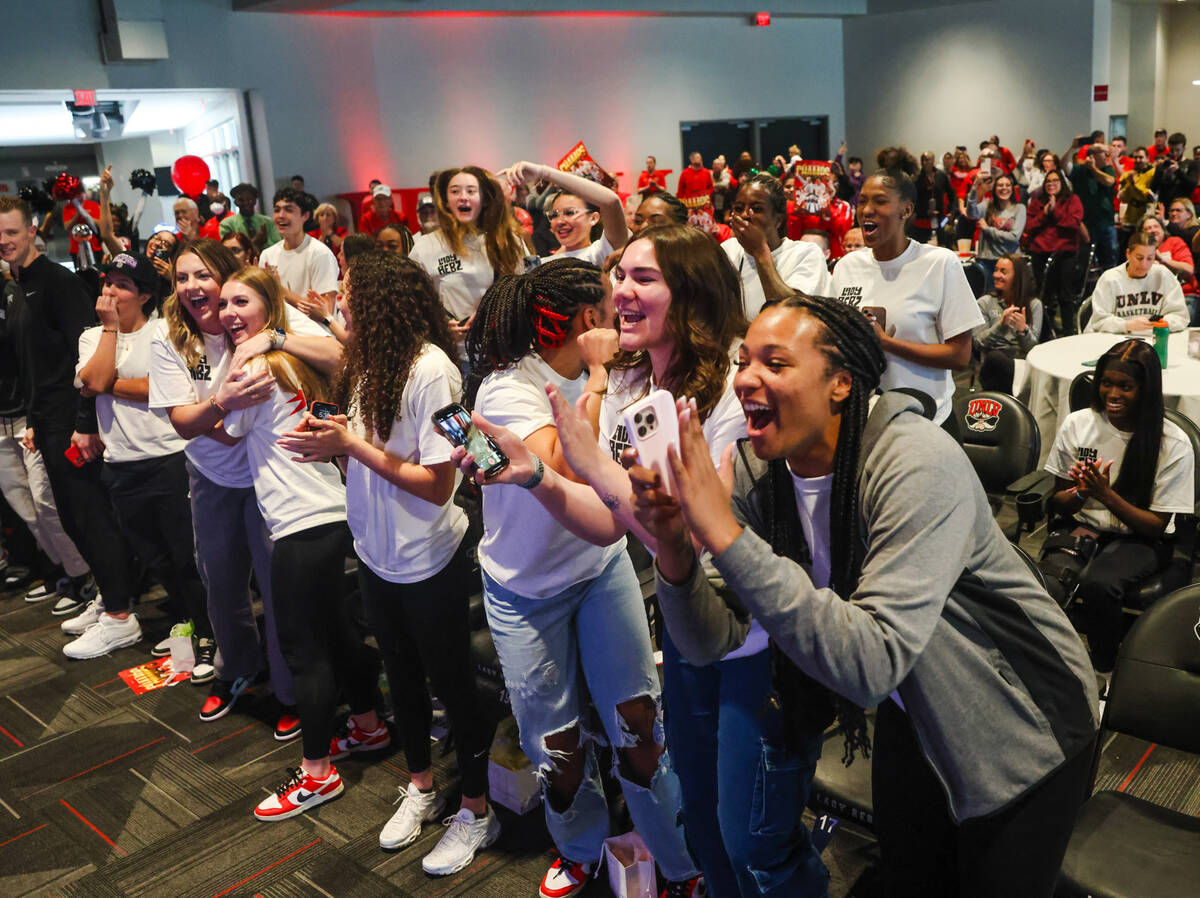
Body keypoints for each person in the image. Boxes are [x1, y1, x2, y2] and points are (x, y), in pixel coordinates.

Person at [637, 293, 1100, 898]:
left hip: (1023, 719)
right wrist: (675, 549)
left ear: (840, 384)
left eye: (775, 364)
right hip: (919, 704)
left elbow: (870, 661)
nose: (746, 377)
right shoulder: (760, 470)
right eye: (744, 360)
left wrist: (723, 532)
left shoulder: (916, 462)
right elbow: (708, 642)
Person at [459, 255, 704, 898]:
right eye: (609, 300)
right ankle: (580, 848)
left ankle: (679, 861)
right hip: (525, 592)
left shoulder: (620, 376)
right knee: (558, 749)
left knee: (640, 725)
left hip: (598, 571)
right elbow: (571, 477)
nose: (623, 306)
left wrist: (605, 380)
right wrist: (594, 381)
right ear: (587, 320)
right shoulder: (509, 389)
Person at [276, 253, 498, 874]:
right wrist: (337, 440)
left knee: (453, 684)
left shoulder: (433, 370)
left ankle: (477, 810)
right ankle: (423, 787)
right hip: (377, 551)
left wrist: (350, 445)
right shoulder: (369, 363)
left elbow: (435, 485)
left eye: (348, 296)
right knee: (400, 681)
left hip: (429, 554)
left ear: (379, 304)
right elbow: (378, 449)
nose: (338, 305)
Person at [149, 238, 342, 733]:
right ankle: (234, 670)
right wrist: (224, 404)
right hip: (211, 475)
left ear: (226, 279)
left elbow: (335, 354)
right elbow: (183, 422)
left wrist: (275, 341)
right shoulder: (168, 335)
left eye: (202, 277)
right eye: (181, 278)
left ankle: (291, 691)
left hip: (270, 479)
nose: (193, 287)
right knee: (221, 581)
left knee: (280, 589)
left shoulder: (259, 311)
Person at [213, 267, 382, 822]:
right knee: (338, 630)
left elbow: (222, 430)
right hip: (331, 512)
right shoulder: (290, 360)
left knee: (303, 651)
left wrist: (215, 387)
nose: (229, 313)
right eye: (224, 304)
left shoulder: (257, 366)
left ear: (268, 308)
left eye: (242, 302)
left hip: (301, 524)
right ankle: (368, 723)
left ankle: (317, 774)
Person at [1, 195, 140, 656]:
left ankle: (121, 615)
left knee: (91, 518)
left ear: (33, 230)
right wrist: (36, 420)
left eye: (12, 232)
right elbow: (32, 364)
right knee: (73, 520)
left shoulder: (58, 283)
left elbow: (93, 353)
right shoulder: (16, 285)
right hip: (46, 421)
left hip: (74, 423)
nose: (4, 242)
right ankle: (108, 600)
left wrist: (86, 423)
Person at [74, 252, 213, 679]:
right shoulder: (93, 336)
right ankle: (190, 625)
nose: (110, 291)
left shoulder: (165, 332)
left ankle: (211, 635)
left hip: (169, 459)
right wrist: (111, 333)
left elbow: (164, 388)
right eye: (108, 282)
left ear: (146, 295)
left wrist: (109, 385)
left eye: (122, 285)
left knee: (188, 558)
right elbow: (92, 381)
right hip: (120, 464)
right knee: (154, 558)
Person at [1043, 339, 1194, 684]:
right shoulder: (1078, 425)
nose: (1112, 393)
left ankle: (1104, 672)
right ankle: (1052, 667)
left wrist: (1106, 495)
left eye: (1125, 386)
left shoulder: (1171, 443)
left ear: (1146, 389)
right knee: (1047, 584)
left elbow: (1156, 527)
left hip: (1142, 538)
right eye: (1106, 383)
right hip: (1084, 525)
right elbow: (1057, 501)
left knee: (1100, 585)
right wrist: (1080, 494)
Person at [830, 154, 982, 424]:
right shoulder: (847, 266)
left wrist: (887, 344)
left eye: (880, 201)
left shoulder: (938, 263)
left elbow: (960, 356)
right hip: (862, 420)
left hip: (926, 419)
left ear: (907, 210)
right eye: (863, 201)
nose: (866, 209)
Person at [0, 246, 90, 609]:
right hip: (8, 417)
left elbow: (31, 356)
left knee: (45, 501)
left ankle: (86, 576)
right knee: (23, 504)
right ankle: (63, 572)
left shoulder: (15, 292)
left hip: (30, 414)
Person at [408, 166, 528, 345]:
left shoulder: (508, 243)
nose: (463, 196)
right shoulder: (424, 247)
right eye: (455, 191)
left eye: (471, 191)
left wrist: (494, 316)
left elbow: (526, 293)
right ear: (446, 201)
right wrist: (438, 327)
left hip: (502, 351)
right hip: (451, 354)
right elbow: (410, 303)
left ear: (483, 199)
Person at [723, 173, 830, 320]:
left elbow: (791, 316)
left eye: (757, 209)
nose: (745, 215)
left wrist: (760, 251)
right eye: (739, 208)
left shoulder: (805, 253)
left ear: (778, 220)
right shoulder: (728, 250)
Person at [501, 160, 628, 266]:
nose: (560, 221)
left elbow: (612, 202)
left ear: (593, 218)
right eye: (554, 215)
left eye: (570, 213)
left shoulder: (599, 253)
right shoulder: (541, 264)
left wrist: (544, 172)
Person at [1084, 231, 1189, 333]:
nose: (1144, 264)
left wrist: (1161, 323)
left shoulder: (1163, 275)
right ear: (1128, 254)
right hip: (1115, 341)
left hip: (1152, 337)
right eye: (1139, 258)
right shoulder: (1110, 279)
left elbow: (1181, 316)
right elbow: (1099, 321)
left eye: (1150, 258)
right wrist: (1127, 325)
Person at [972, 253, 1043, 394]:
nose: (996, 275)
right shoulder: (985, 303)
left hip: (1022, 366)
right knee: (995, 358)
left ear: (1017, 277)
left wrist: (1023, 331)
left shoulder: (1034, 305)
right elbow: (978, 343)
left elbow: (1033, 349)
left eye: (1003, 272)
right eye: (996, 270)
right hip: (993, 367)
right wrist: (1000, 325)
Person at [1026, 169, 1085, 335]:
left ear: (1062, 183)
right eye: (1048, 181)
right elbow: (1029, 226)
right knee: (1044, 296)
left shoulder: (1073, 200)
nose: (1051, 184)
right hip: (1041, 252)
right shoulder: (1037, 202)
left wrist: (1056, 212)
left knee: (1065, 296)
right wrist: (1044, 213)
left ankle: (1068, 333)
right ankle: (1044, 333)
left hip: (1065, 253)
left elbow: (1074, 224)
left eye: (1055, 180)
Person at [259, 187, 339, 310]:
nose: (280, 215)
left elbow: (326, 310)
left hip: (311, 329)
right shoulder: (267, 255)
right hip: (279, 328)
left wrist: (280, 290)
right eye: (276, 210)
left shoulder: (320, 254)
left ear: (305, 215)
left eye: (288, 210)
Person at [966, 171, 1026, 282]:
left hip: (1010, 261)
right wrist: (974, 187)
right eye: (1000, 185)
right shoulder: (987, 204)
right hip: (988, 261)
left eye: (1007, 185)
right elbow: (971, 213)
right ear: (994, 189)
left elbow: (1014, 237)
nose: (1004, 188)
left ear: (1012, 189)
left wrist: (987, 229)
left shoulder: (1019, 208)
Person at [1071, 143, 1118, 269]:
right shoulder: (1080, 170)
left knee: (1110, 262)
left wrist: (1094, 169)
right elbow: (1065, 166)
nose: (1107, 155)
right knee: (1083, 262)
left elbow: (1109, 181)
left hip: (1106, 223)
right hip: (1086, 223)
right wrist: (1072, 148)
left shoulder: (1107, 169)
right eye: (1103, 152)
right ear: (1093, 155)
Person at [220, 183, 281, 250]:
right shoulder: (227, 224)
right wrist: (254, 242)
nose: (246, 203)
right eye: (241, 200)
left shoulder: (268, 222)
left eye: (249, 199)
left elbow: (278, 245)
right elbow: (228, 250)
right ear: (235, 202)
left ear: (255, 201)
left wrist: (265, 242)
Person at [913, 151, 955, 245]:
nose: (925, 163)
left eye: (927, 160)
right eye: (923, 160)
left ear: (933, 161)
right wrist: (922, 211)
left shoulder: (941, 175)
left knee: (941, 246)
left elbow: (952, 195)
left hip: (940, 219)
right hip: (921, 221)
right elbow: (912, 199)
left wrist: (951, 212)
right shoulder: (917, 178)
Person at [1150, 132, 1198, 207]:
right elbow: (1153, 188)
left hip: (1182, 208)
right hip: (1163, 207)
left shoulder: (1192, 164)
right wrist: (1160, 171)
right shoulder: (1164, 163)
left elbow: (1192, 185)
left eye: (1178, 150)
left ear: (1184, 149)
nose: (1175, 153)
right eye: (1172, 150)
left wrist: (1178, 171)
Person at [1118, 147, 1156, 228]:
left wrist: (1133, 185)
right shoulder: (1127, 175)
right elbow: (1123, 198)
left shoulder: (1154, 174)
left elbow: (1149, 197)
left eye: (1141, 157)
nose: (1138, 160)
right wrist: (1130, 184)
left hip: (1147, 219)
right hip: (1129, 219)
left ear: (1147, 158)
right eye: (1135, 157)